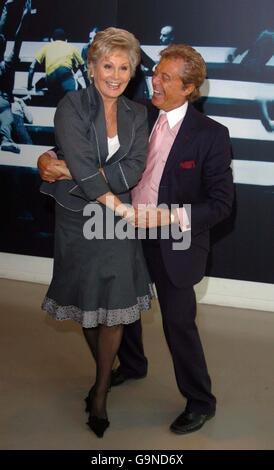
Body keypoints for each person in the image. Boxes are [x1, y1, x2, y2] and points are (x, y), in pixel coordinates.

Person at [38, 44, 234, 435]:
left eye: (164, 77)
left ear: (190, 87)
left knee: (179, 323)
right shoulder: (137, 113)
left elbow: (221, 204)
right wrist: (45, 157)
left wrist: (169, 216)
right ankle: (132, 364)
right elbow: (85, 149)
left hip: (173, 238)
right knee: (122, 304)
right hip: (121, 228)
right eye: (155, 72)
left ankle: (200, 401)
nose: (153, 81)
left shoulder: (211, 135)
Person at [38, 27, 153, 438]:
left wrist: (74, 170)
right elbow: (88, 168)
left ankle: (101, 391)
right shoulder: (71, 105)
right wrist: (98, 185)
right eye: (107, 65)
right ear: (91, 68)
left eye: (124, 67)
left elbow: (133, 168)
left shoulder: (138, 114)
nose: (115, 75)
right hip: (77, 216)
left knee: (116, 300)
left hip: (115, 221)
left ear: (133, 72)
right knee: (87, 303)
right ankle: (106, 369)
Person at [27, 28, 89, 105]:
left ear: (52, 40)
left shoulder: (47, 46)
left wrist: (29, 86)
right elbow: (84, 69)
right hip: (65, 75)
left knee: (43, 82)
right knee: (78, 89)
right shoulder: (71, 47)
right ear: (66, 40)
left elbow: (32, 67)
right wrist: (88, 87)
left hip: (51, 80)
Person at [0, 0, 31, 153]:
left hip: (3, 104)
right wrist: (25, 17)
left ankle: (6, 139)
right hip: (4, 103)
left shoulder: (6, 65)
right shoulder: (8, 65)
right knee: (6, 114)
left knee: (6, 114)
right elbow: (17, 40)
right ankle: (6, 139)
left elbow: (1, 34)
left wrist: (6, 7)